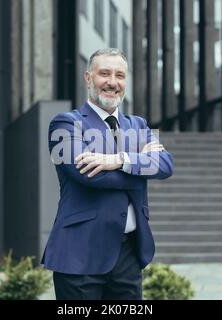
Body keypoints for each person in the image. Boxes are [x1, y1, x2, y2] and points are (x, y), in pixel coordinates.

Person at [41, 48, 174, 300]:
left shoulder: (139, 125)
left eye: (120, 75)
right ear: (88, 78)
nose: (113, 82)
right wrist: (139, 167)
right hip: (80, 254)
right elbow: (88, 174)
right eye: (104, 74)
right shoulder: (66, 123)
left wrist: (118, 160)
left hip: (128, 255)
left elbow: (165, 165)